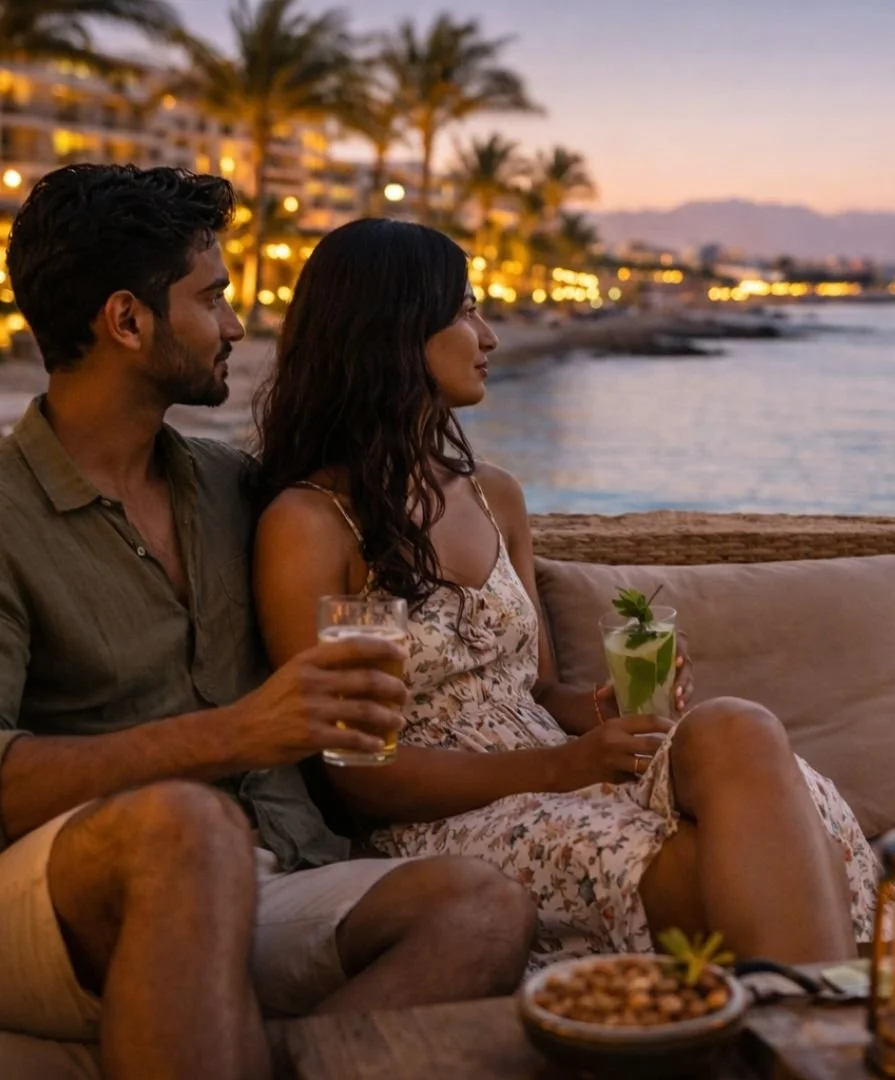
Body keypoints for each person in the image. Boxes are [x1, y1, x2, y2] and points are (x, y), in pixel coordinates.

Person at [0, 167, 537, 1080]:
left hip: (275, 869)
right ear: (127, 321)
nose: (240, 327)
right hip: (59, 895)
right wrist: (242, 731)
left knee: (482, 905)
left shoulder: (232, 490)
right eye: (212, 299)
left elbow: (378, 479)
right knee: (186, 825)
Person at [253, 217, 880, 969]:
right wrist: (565, 766)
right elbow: (362, 776)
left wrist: (602, 714)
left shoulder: (494, 498)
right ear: (390, 330)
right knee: (717, 867)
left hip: (560, 770)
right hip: (445, 818)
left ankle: (819, 1004)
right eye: (464, 311)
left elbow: (539, 687)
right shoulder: (319, 526)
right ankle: (826, 1024)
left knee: (735, 727)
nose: (488, 336)